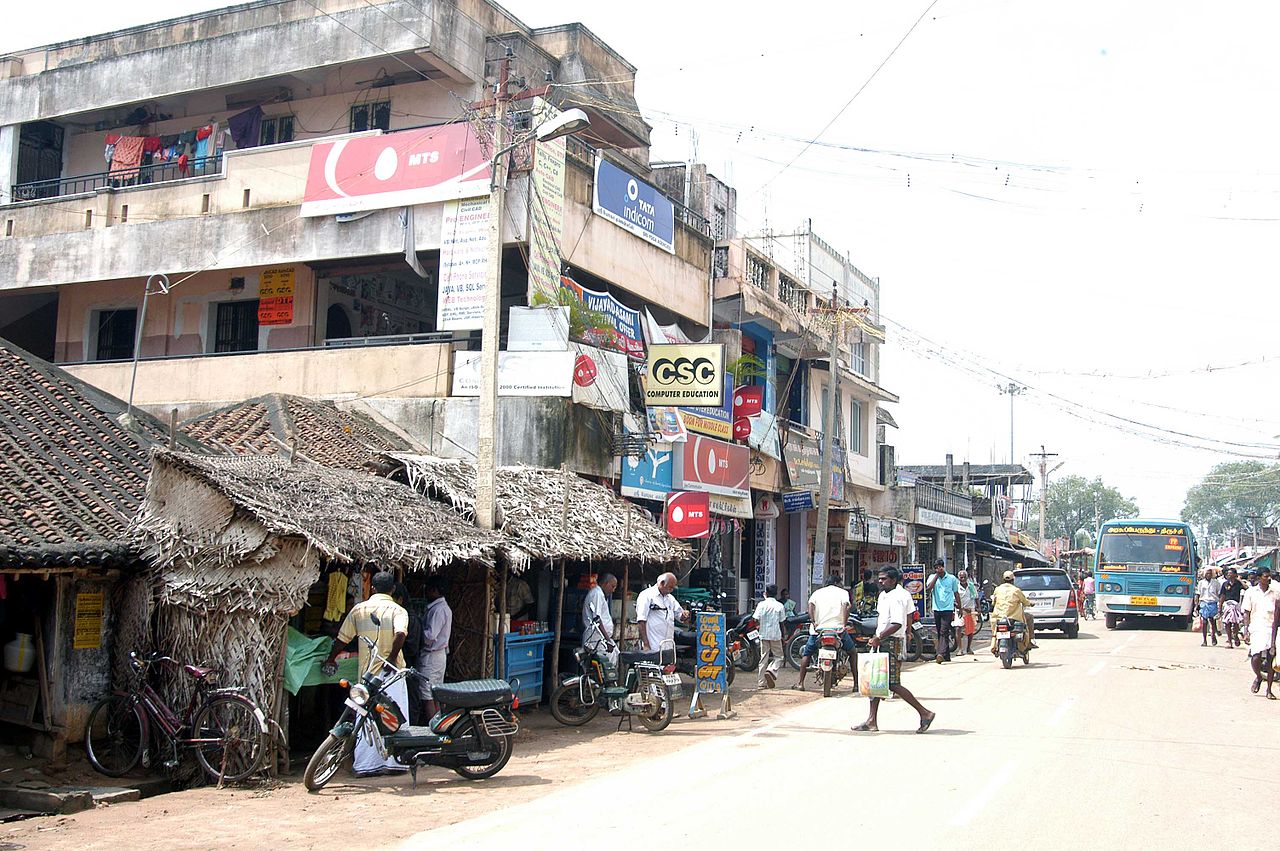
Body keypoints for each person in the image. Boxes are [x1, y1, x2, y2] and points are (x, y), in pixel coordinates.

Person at [321, 570, 410, 776]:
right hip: (392, 674)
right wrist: (391, 658)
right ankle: (394, 763)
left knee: (365, 719)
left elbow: (342, 639)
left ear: (372, 588)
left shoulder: (359, 610)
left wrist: (330, 658)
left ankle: (366, 765)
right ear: (393, 589)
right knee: (394, 717)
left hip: (367, 676)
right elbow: (400, 634)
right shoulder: (398, 610)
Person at [852, 566, 936, 734]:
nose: (880, 581)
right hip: (883, 639)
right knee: (875, 679)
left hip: (890, 641)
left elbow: (898, 622)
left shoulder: (898, 596)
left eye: (883, 578)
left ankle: (924, 713)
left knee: (892, 682)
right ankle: (871, 720)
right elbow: (908, 615)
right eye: (879, 578)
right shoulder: (884, 595)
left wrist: (880, 637)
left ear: (893, 580)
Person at [792, 575, 855, 691]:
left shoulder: (817, 593)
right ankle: (856, 685)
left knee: (807, 654)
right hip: (838, 630)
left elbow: (810, 607)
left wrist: (814, 622)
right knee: (852, 652)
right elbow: (846, 607)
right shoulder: (843, 593)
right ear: (836, 582)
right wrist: (844, 624)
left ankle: (800, 683)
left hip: (818, 631)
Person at [417, 576, 453, 720]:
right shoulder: (442, 608)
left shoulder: (438, 610)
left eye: (429, 590)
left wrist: (417, 631)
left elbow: (430, 636)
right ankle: (438, 722)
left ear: (435, 590)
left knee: (427, 694)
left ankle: (432, 726)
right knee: (435, 691)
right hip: (439, 655)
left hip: (432, 656)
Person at [1241, 567, 1280, 699]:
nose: (1268, 578)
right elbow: (1246, 612)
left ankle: (1269, 690)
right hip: (1256, 628)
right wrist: (1246, 630)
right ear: (1259, 578)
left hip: (1271, 629)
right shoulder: (1251, 592)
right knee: (1256, 657)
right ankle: (1258, 676)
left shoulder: (1275, 592)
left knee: (1270, 660)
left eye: (1269, 576)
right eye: (1265, 576)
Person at [635, 572, 688, 652]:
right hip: (653, 645)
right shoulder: (646, 596)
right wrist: (646, 644)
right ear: (662, 583)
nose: (671, 590)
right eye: (670, 587)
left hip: (668, 645)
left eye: (673, 588)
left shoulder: (670, 598)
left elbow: (679, 615)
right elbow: (641, 621)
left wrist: (684, 615)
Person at [989, 570, 1035, 656]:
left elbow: (993, 602)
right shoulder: (1016, 590)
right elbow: (1025, 602)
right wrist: (1030, 603)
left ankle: (994, 646)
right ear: (1013, 580)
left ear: (1003, 579)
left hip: (998, 617)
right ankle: (1030, 640)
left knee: (995, 631)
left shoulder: (997, 589)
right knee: (1029, 617)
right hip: (1013, 618)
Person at [925, 559, 962, 663]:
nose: (938, 569)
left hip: (948, 609)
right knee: (940, 631)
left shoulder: (951, 578)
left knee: (943, 631)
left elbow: (956, 593)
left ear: (943, 567)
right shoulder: (932, 577)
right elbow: (928, 588)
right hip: (937, 608)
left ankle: (940, 653)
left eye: (940, 567)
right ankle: (947, 655)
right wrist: (936, 576)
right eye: (936, 568)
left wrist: (960, 607)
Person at [752, 584, 787, 688]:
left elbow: (755, 619)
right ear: (776, 594)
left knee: (763, 658)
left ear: (766, 593)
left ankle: (761, 683)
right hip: (775, 634)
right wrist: (783, 636)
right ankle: (771, 670)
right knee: (779, 657)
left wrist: (759, 625)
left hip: (763, 634)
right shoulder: (779, 605)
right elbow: (782, 622)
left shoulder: (761, 604)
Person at [582, 572, 618, 664]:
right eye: (612, 586)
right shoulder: (596, 594)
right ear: (606, 584)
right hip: (596, 638)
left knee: (614, 657)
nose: (613, 590)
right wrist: (607, 640)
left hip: (601, 639)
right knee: (603, 668)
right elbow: (597, 619)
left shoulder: (600, 594)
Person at [1219, 568, 1247, 649]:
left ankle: (1235, 635)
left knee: (1236, 623)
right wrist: (1220, 608)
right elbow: (1222, 596)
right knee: (1227, 623)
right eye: (1228, 573)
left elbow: (1246, 588)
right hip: (1227, 605)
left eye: (1230, 573)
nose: (1228, 575)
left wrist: (1240, 580)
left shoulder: (1238, 583)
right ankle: (1229, 641)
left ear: (1235, 574)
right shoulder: (1225, 584)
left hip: (1236, 605)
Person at [954, 569, 979, 656]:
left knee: (970, 630)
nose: (963, 579)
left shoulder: (971, 586)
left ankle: (968, 648)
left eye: (964, 577)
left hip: (970, 610)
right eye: (961, 577)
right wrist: (962, 608)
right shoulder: (956, 587)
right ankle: (960, 649)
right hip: (960, 610)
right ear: (959, 578)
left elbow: (976, 597)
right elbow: (954, 601)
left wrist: (978, 608)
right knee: (958, 628)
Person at [1195, 569, 1222, 647]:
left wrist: (1220, 605)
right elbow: (1198, 594)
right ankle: (1204, 640)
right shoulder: (1201, 583)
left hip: (1213, 603)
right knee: (1204, 622)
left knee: (1212, 622)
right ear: (1204, 574)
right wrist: (1196, 605)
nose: (1208, 575)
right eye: (1207, 573)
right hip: (1204, 603)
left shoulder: (1216, 583)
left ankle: (1213, 636)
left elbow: (1219, 594)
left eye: (1210, 573)